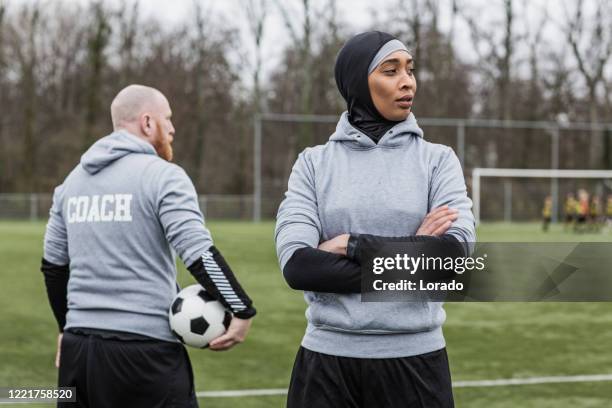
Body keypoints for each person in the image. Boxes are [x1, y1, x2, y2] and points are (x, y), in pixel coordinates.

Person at [275, 31, 475, 408]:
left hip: (417, 365)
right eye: (390, 70)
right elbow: (299, 267)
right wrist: (414, 254)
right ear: (356, 82)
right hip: (326, 365)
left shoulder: (438, 161)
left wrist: (349, 245)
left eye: (410, 70)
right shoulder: (313, 164)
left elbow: (450, 264)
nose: (407, 81)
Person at [42, 84, 256, 408]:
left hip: (78, 352)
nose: (172, 128)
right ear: (147, 123)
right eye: (167, 119)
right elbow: (197, 252)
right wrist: (240, 307)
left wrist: (65, 328)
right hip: (143, 353)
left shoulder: (70, 184)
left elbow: (54, 267)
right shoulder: (163, 176)